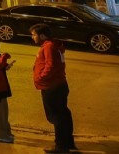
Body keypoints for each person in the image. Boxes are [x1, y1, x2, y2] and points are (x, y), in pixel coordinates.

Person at [30, 24, 76, 153]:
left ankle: (61, 146)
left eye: (34, 34)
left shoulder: (49, 46)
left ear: (42, 35)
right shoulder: (53, 45)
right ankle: (68, 142)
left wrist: (41, 77)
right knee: (63, 114)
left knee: (56, 117)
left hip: (52, 86)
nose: (32, 37)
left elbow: (51, 65)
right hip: (58, 84)